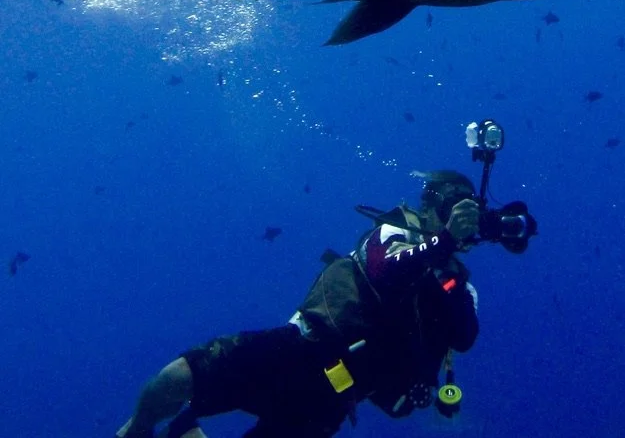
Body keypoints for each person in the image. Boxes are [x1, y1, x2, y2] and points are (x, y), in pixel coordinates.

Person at [115, 170, 483, 438]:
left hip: (338, 393)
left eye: (468, 212)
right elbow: (383, 270)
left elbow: (464, 337)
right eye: (451, 206)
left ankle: (183, 431)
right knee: (181, 376)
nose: (459, 218)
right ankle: (137, 431)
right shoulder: (394, 231)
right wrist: (444, 242)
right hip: (302, 346)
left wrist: (447, 269)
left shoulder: (461, 285)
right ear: (429, 205)